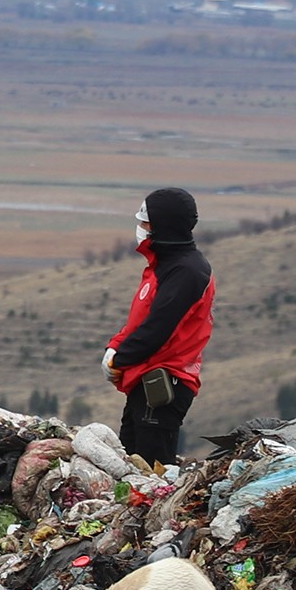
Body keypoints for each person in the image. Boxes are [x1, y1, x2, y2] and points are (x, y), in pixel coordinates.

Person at [102, 187, 213, 466]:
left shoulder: (187, 271)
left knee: (154, 469)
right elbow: (140, 321)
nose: (140, 229)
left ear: (163, 225)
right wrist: (115, 347)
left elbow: (159, 328)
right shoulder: (163, 266)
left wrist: (120, 358)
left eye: (145, 223)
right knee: (131, 460)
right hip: (145, 380)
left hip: (165, 383)